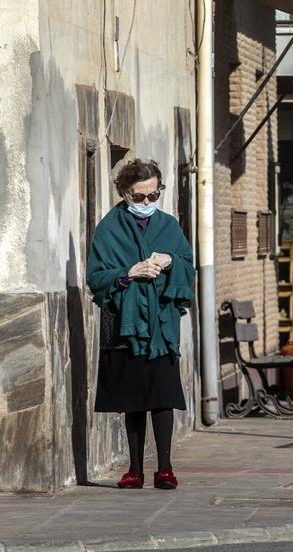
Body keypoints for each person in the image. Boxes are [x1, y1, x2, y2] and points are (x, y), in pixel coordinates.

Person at [87, 159, 195, 490]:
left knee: (162, 395)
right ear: (124, 193)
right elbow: (96, 276)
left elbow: (189, 266)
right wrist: (129, 273)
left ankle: (165, 468)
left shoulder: (169, 225)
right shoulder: (108, 228)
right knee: (133, 398)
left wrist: (171, 261)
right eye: (139, 197)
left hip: (161, 326)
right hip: (126, 325)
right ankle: (134, 469)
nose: (147, 203)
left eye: (153, 195)